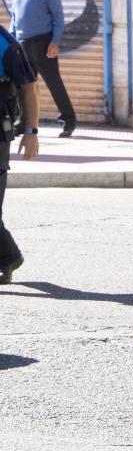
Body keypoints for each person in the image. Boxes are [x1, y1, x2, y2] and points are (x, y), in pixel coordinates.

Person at [9, 0, 75, 137]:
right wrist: (12, 41)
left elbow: (58, 16)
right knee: (23, 85)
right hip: (21, 43)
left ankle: (68, 120)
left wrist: (55, 42)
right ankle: (23, 122)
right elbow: (15, 15)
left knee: (54, 82)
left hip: (43, 42)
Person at [0, 24, 41, 283]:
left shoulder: (5, 43)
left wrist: (31, 131)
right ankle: (8, 256)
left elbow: (30, 87)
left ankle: (9, 256)